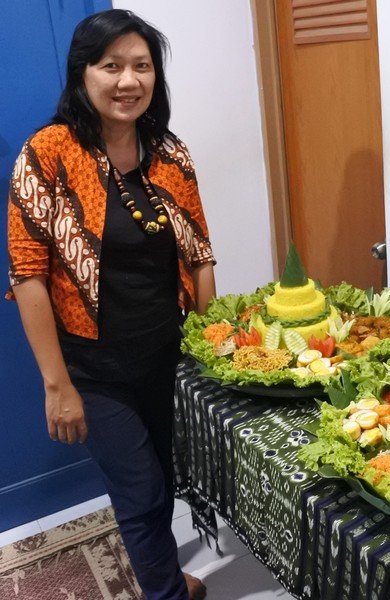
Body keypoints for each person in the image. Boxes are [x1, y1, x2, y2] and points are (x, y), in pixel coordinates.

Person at [6, 9, 215, 600]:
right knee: (141, 492)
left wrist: (206, 352)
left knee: (164, 481)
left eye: (142, 66)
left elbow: (200, 256)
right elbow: (28, 276)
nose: (129, 81)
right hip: (95, 369)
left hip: (167, 357)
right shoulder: (48, 153)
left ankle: (168, 574)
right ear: (83, 74)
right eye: (112, 65)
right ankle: (167, 592)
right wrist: (57, 385)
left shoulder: (169, 153)